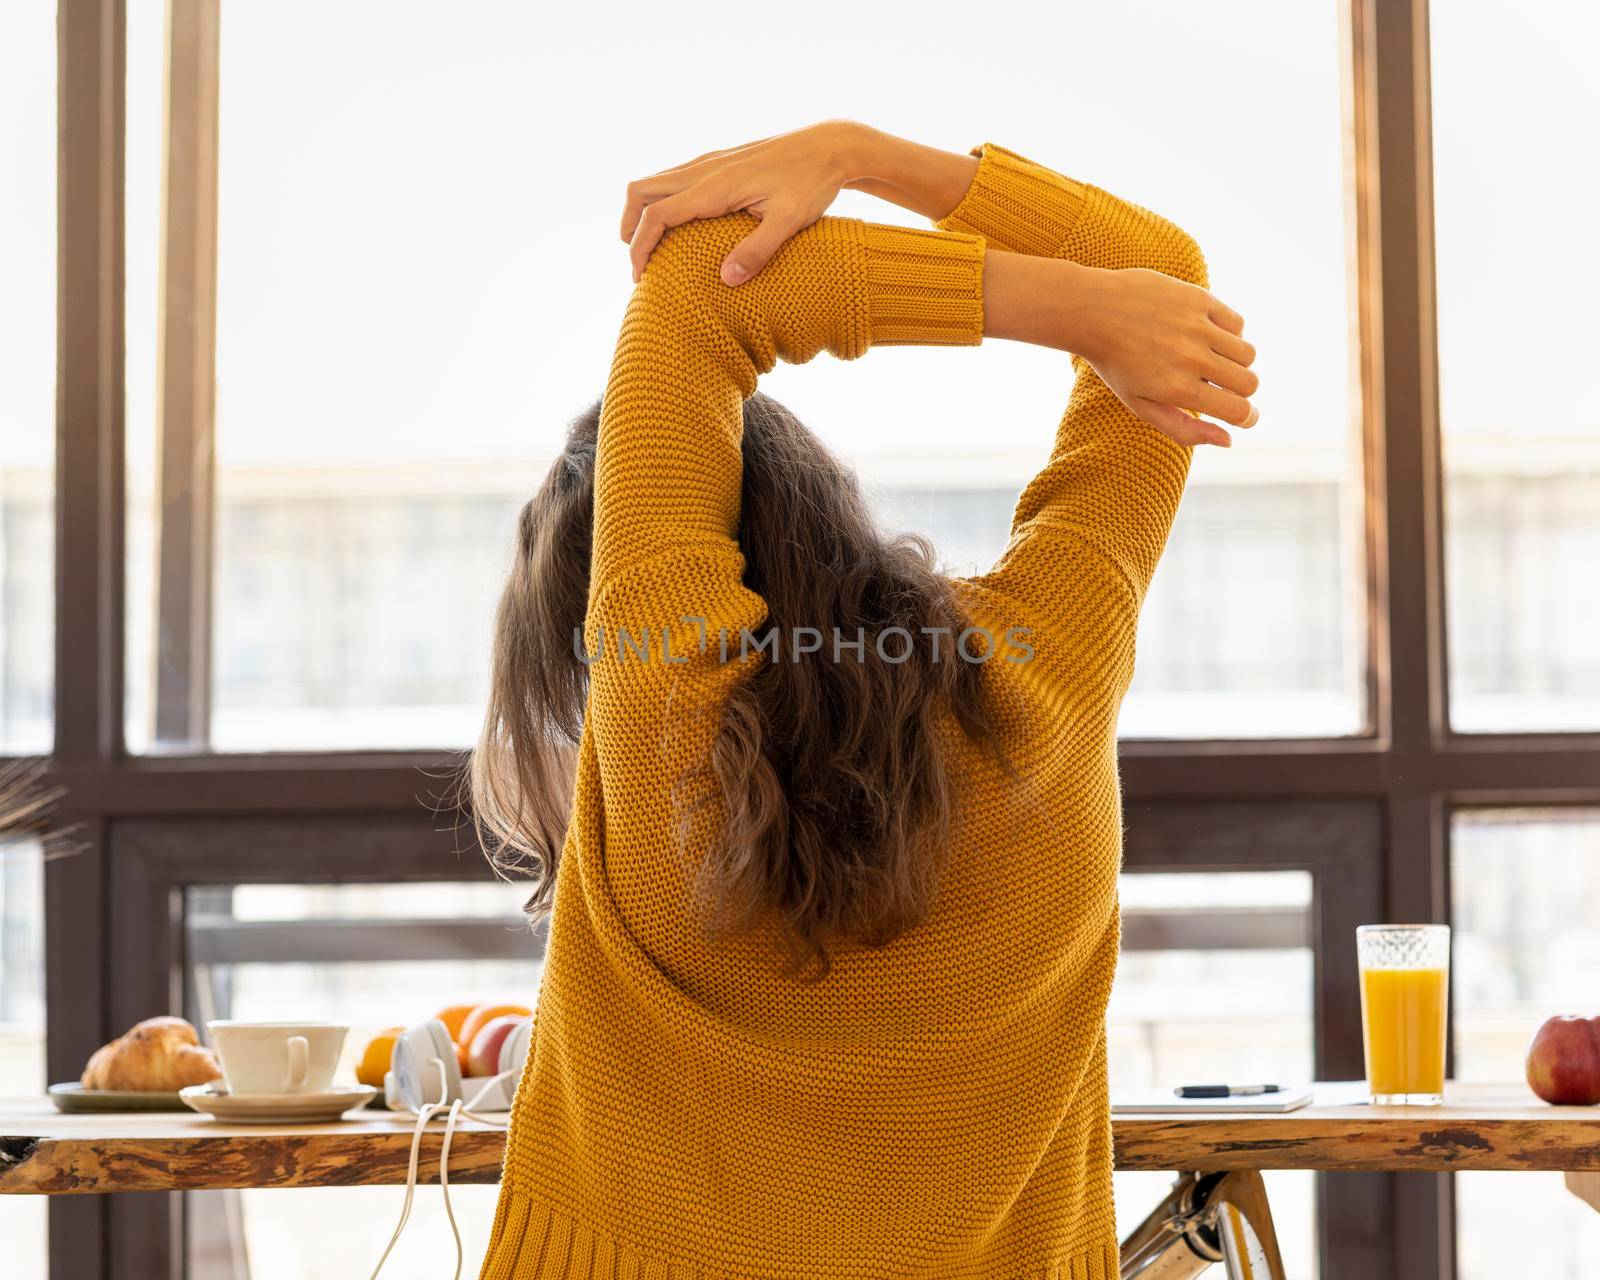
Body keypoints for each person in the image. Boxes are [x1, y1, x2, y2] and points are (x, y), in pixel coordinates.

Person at [469, 120, 1259, 1280]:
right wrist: (864, 155)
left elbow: (694, 290)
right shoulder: (1050, 666)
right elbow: (1162, 286)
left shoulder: (662, 701)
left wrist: (1088, 311)